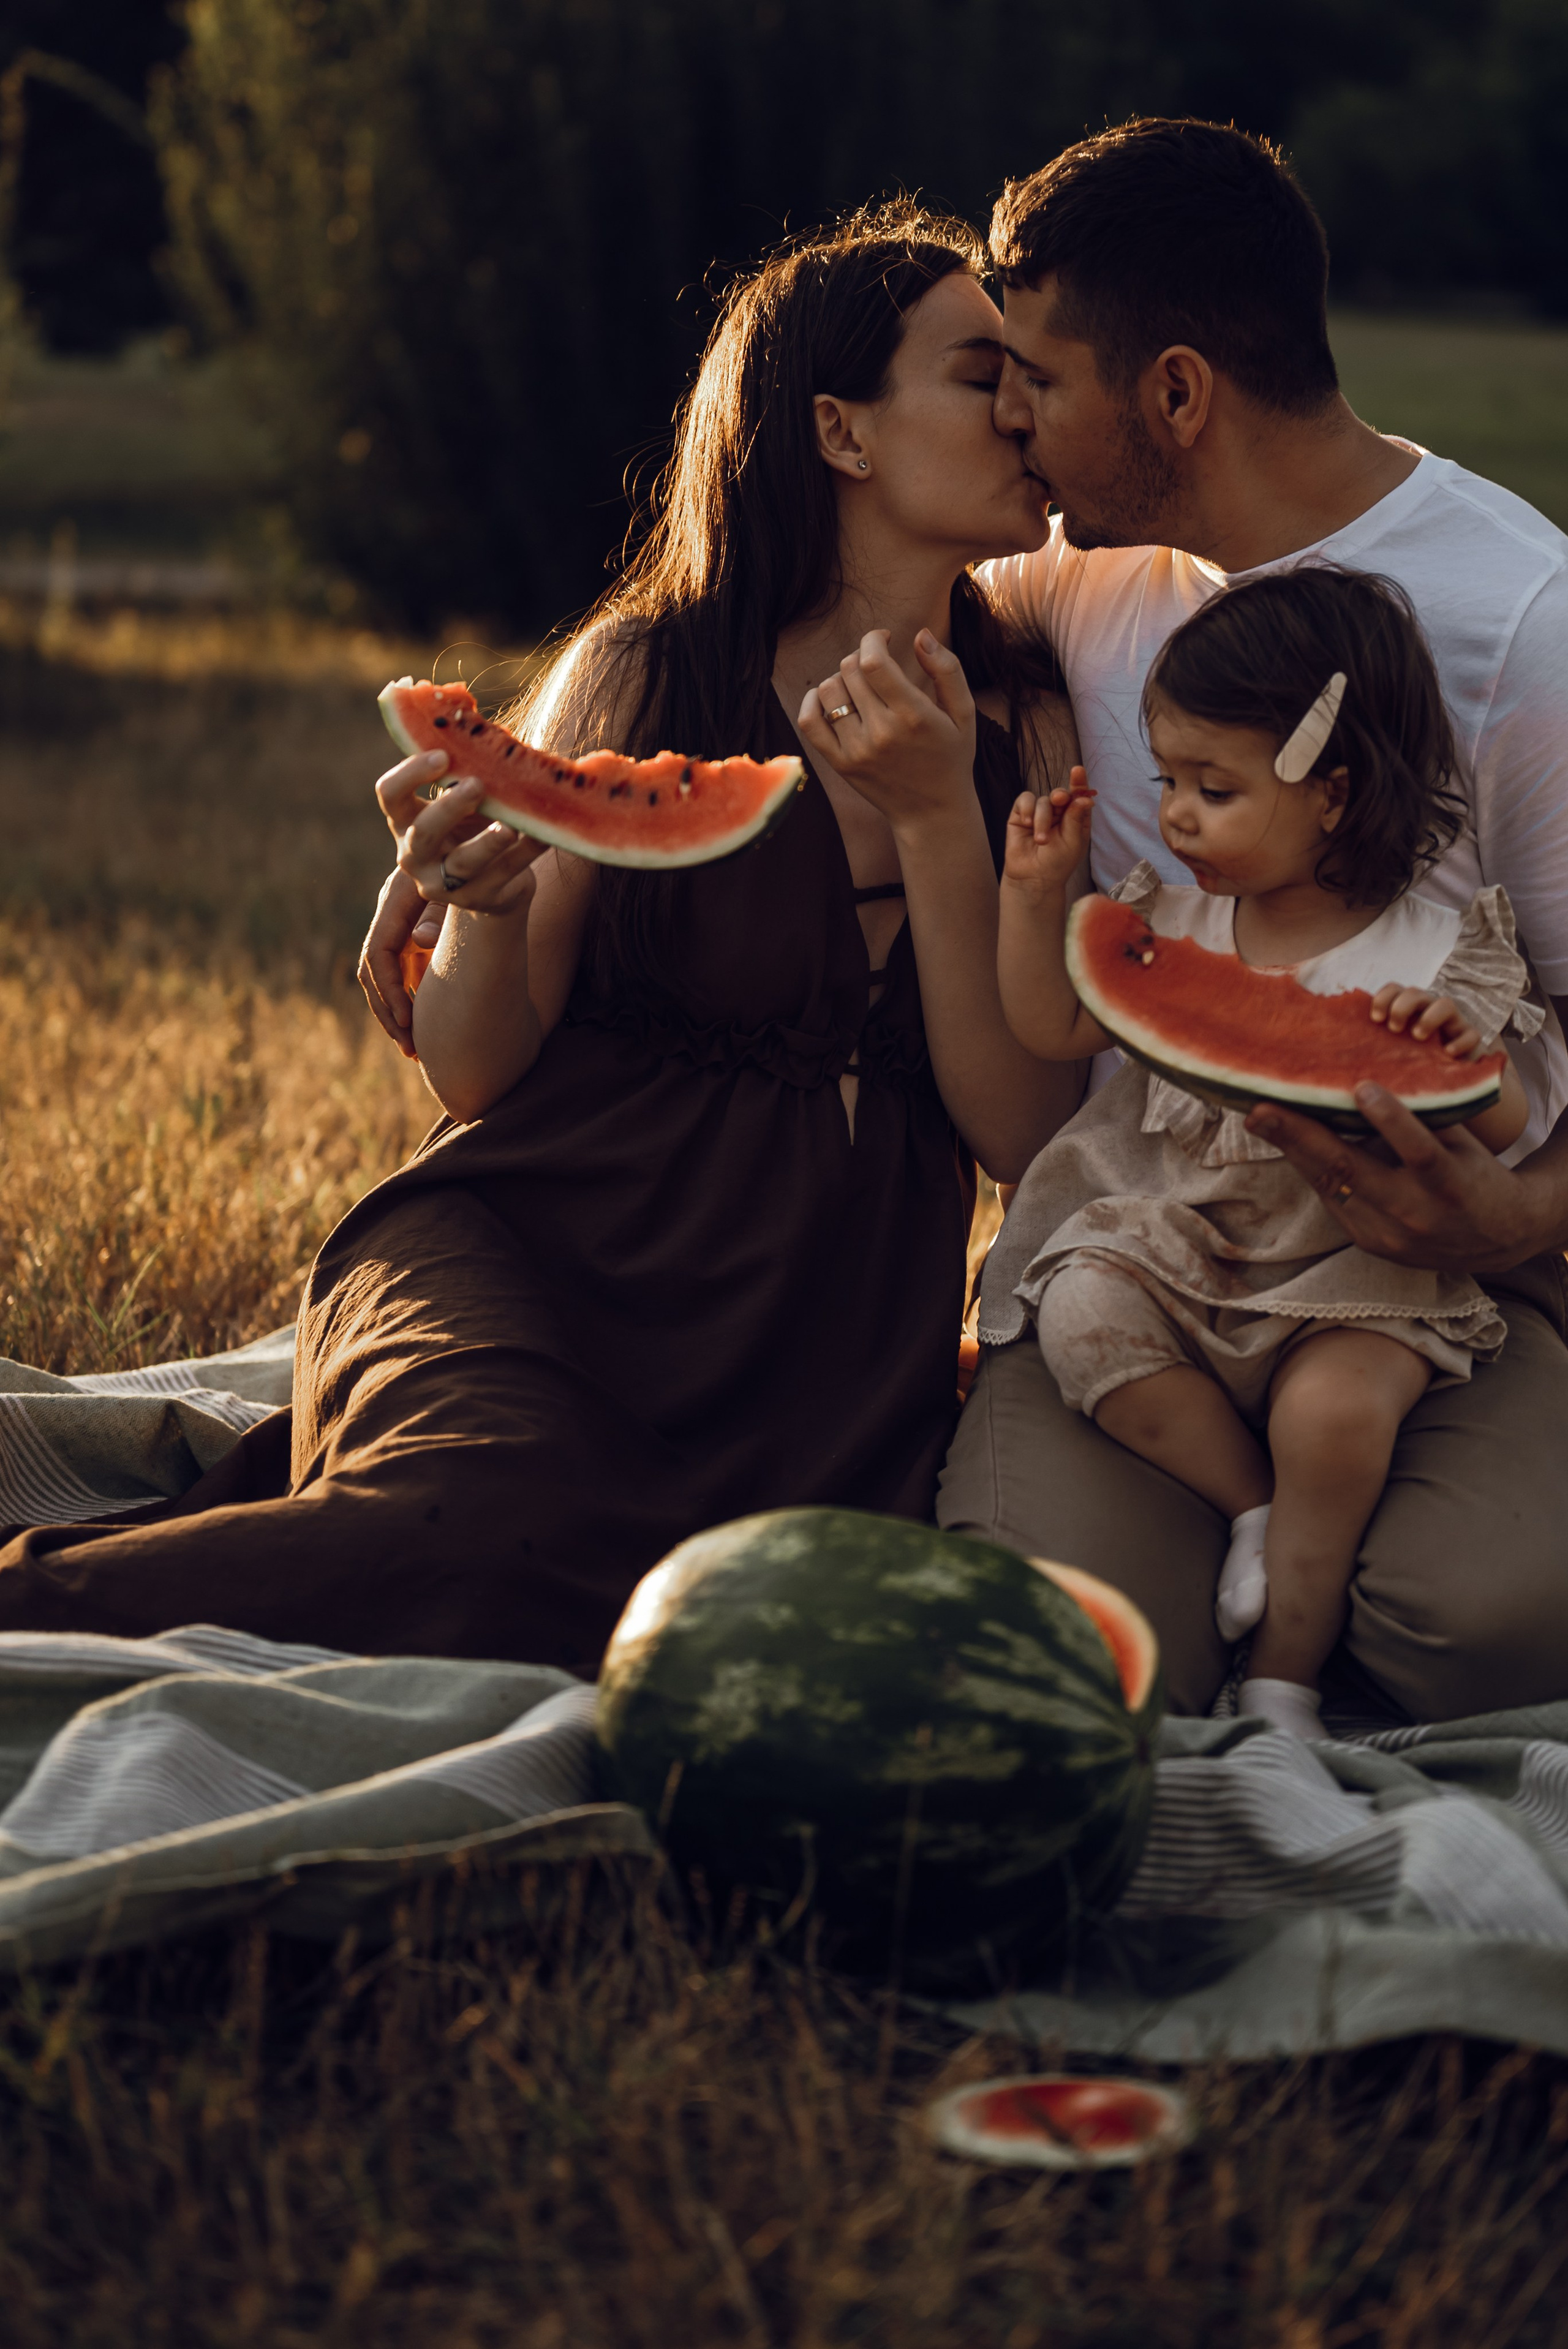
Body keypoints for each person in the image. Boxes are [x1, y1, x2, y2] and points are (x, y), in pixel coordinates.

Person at [0, 204, 1079, 1670]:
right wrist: (491, 917)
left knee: (687, 1629)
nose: (1024, 409)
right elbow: (474, 1074)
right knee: (472, 1530)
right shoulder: (648, 673)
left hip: (822, 1360)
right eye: (978, 373)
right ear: (841, 431)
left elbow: (1021, 1133)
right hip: (534, 1255)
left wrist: (942, 819)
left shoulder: (1028, 723)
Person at [937, 117, 1568, 1722]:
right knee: (1053, 1651)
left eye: (1039, 380)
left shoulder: (1525, 628)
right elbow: (799, 607)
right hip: (1142, 1238)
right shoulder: (1081, 573)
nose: (1011, 418)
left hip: (1432, 1279)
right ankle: (1244, 1555)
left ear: (1174, 395)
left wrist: (1512, 1217)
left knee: (1462, 1632)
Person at [994, 567, 1537, 1739]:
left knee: (1334, 1420)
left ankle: (1288, 1673)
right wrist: (1035, 901)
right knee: (1081, 1315)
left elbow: (1513, 1123)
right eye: (1168, 782)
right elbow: (1051, 1025)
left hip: (1354, 1272)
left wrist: (1459, 1052)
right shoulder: (1165, 925)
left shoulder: (1436, 953)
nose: (1177, 817)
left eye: (1216, 789)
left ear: (1334, 794)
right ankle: (1250, 1508)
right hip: (1170, 1242)